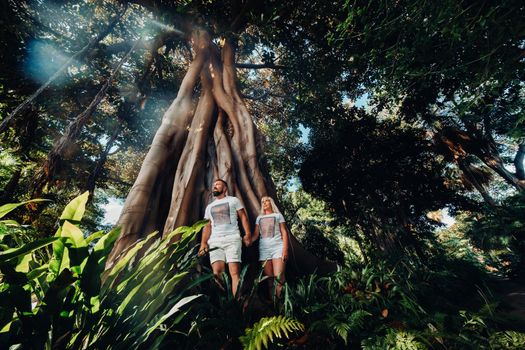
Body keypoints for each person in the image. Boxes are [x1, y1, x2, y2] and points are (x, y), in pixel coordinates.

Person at [199, 179, 251, 296]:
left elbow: (243, 217)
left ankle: (237, 304)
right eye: (213, 185)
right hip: (215, 241)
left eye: (218, 184)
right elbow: (207, 226)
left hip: (232, 239)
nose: (215, 186)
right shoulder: (210, 207)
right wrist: (203, 243)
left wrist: (247, 234)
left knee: (234, 272)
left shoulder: (233, 200)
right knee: (217, 273)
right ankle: (225, 306)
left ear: (225, 188)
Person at [252, 196, 289, 298]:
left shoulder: (278, 216)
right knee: (270, 279)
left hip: (278, 247)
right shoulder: (259, 218)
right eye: (262, 202)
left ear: (271, 203)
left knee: (279, 278)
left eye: (266, 201)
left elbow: (284, 232)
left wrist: (285, 249)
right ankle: (274, 304)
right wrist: (247, 240)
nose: (264, 203)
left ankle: (282, 305)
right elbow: (255, 235)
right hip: (264, 250)